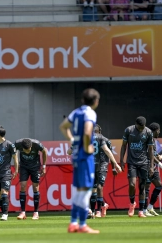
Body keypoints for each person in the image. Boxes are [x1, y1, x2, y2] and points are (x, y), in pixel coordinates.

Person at [59, 88, 100, 234]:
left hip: (76, 154)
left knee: (77, 190)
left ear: (82, 100)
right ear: (95, 101)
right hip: (85, 156)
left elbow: (63, 127)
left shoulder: (75, 112)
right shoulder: (90, 113)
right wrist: (88, 146)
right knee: (86, 190)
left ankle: (73, 223)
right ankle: (82, 225)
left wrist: (72, 140)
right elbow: (88, 131)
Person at [120, 116, 154, 218]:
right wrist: (121, 160)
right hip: (132, 162)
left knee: (142, 186)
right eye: (139, 127)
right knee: (132, 184)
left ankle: (141, 211)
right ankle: (132, 203)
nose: (141, 129)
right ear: (136, 124)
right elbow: (123, 146)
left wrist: (151, 166)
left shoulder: (148, 132)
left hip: (144, 162)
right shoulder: (129, 130)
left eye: (143, 127)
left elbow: (151, 150)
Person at [88, 124, 122, 218]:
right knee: (93, 190)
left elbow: (109, 152)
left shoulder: (105, 140)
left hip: (103, 164)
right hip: (93, 166)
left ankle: (98, 210)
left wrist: (114, 167)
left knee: (99, 187)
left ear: (99, 132)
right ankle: (99, 208)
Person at [15, 138, 47, 220]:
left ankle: (36, 213)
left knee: (35, 187)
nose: (27, 152)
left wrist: (43, 166)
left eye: (29, 150)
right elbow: (12, 152)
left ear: (31, 146)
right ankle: (22, 212)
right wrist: (16, 164)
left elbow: (44, 151)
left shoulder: (36, 144)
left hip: (35, 167)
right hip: (23, 167)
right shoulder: (17, 144)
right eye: (25, 150)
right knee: (22, 186)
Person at [144, 122, 162, 217]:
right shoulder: (148, 139)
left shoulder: (153, 140)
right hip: (147, 166)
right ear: (155, 130)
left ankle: (150, 207)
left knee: (159, 186)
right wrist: (160, 164)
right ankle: (144, 210)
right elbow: (150, 155)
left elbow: (153, 154)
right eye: (159, 131)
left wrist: (158, 156)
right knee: (147, 188)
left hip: (153, 166)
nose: (159, 133)